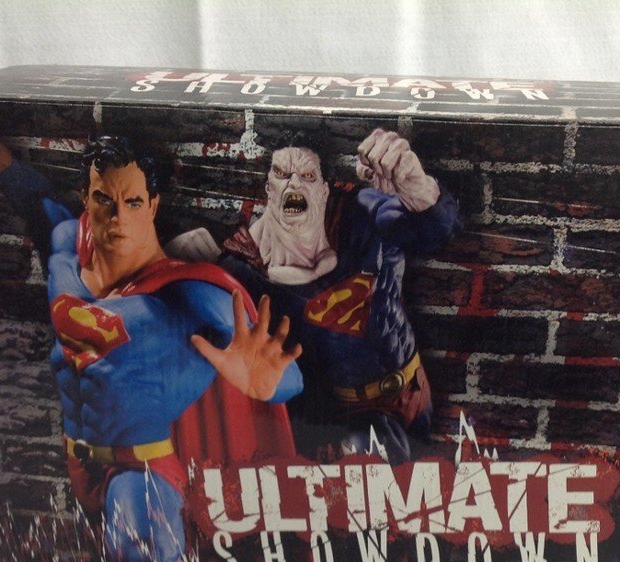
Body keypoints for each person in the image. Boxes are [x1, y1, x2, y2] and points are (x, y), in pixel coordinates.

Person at [0, 124, 304, 562]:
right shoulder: (67, 248)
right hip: (80, 463)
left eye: (132, 202)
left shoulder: (189, 291)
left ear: (153, 204)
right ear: (87, 198)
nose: (117, 217)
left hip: (142, 465)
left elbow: (282, 372)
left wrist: (269, 381)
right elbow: (40, 205)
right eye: (103, 200)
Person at [169, 128, 461, 464]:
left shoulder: (362, 215)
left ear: (323, 190)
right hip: (346, 424)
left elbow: (437, 229)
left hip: (415, 394)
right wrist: (185, 272)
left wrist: (419, 189)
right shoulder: (244, 265)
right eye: (282, 174)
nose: (293, 184)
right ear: (269, 188)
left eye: (307, 176)